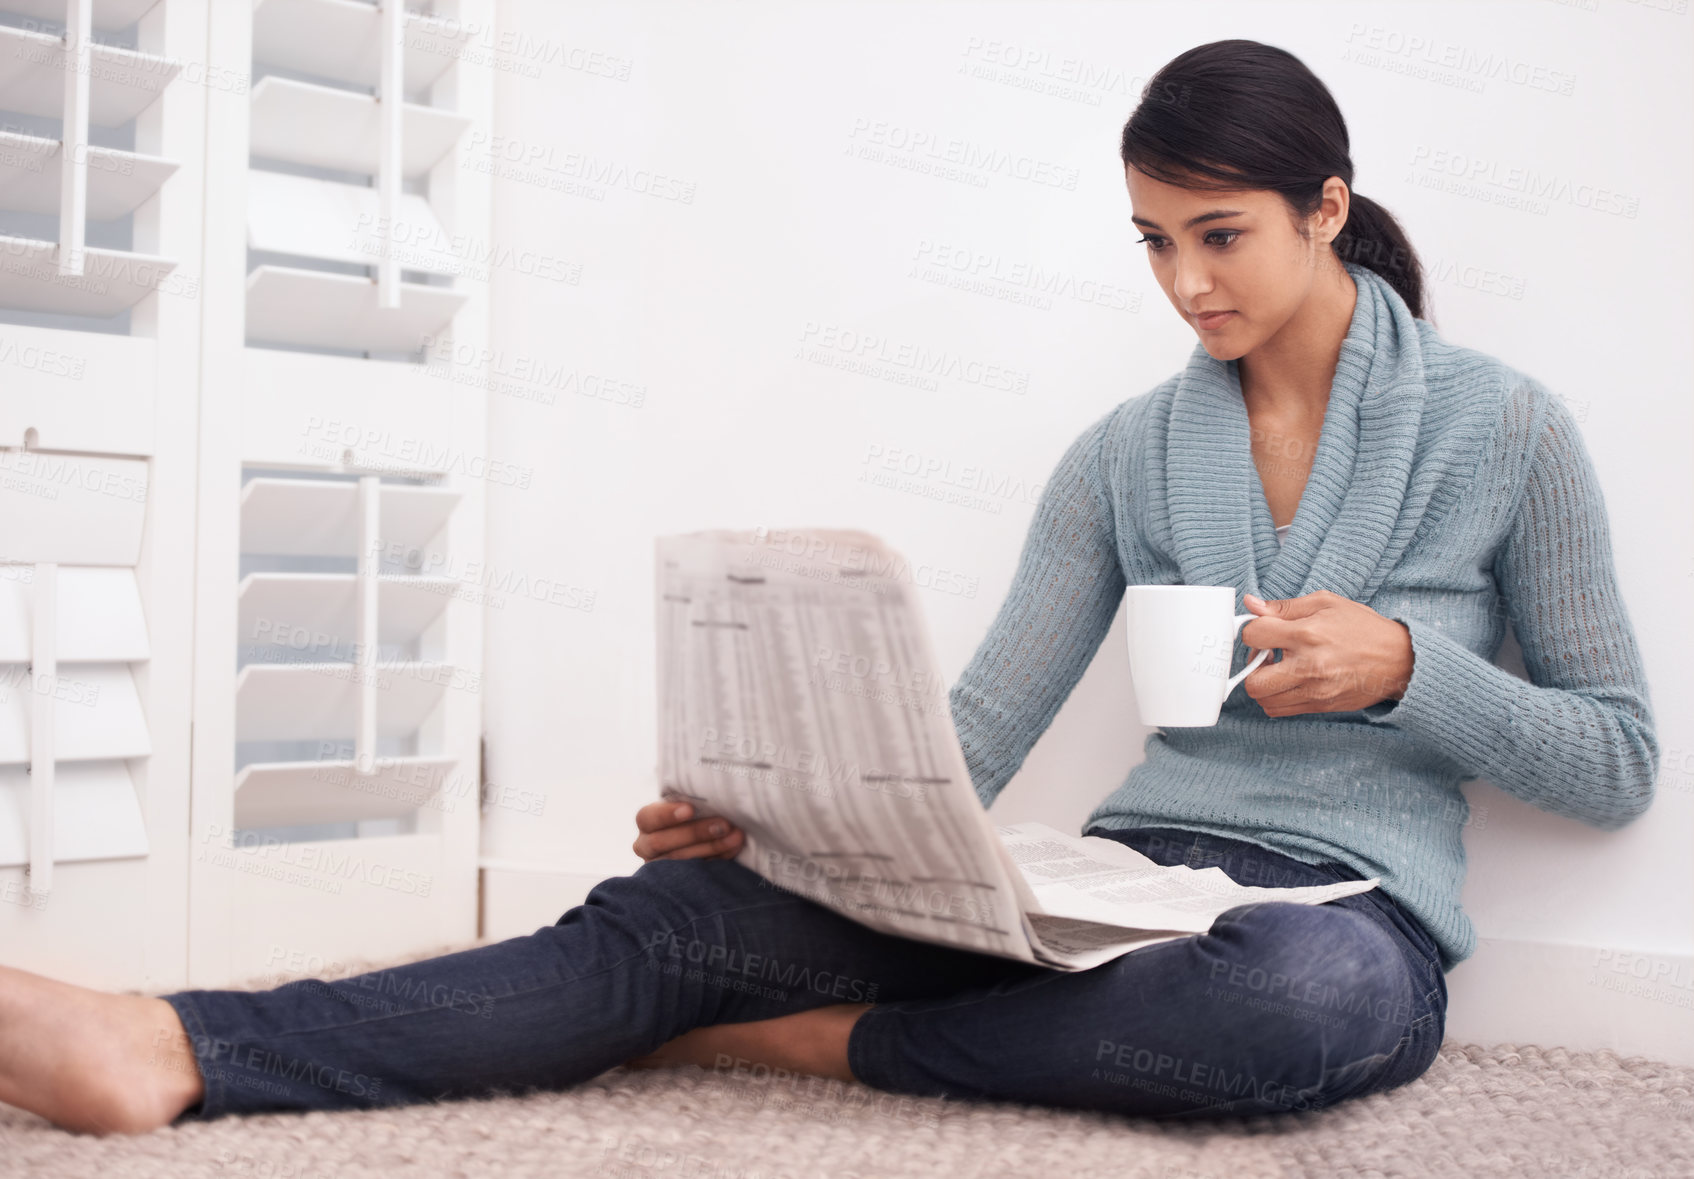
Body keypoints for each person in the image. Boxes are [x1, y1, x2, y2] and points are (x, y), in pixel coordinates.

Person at [0, 38, 1658, 1136]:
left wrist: (1405, 673)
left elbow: (1614, 760)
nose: (1183, 283)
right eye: (1150, 242)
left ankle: (795, 1043)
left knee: (1286, 1017)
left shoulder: (1501, 427)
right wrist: (785, 820)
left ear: (1325, 209)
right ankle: (179, 1044)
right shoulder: (1122, 454)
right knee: (674, 916)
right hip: (1118, 883)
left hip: (1335, 916)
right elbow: (980, 728)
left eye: (1217, 235)